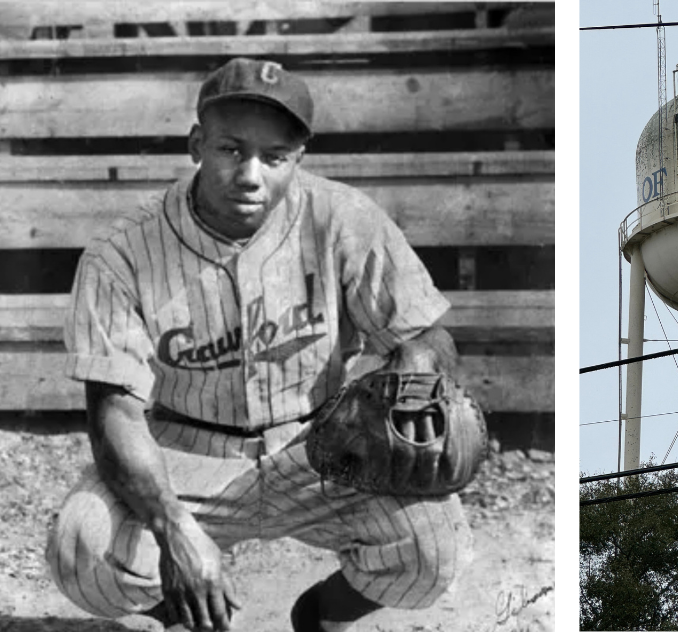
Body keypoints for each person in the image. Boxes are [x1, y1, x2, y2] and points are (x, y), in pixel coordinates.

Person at [46, 57, 472, 632]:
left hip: (318, 445)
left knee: (435, 550)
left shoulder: (343, 218)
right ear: (197, 143)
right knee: (83, 548)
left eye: (274, 158)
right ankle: (195, 614)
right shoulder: (121, 254)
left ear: (297, 159)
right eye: (230, 149)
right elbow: (114, 412)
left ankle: (321, 617)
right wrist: (174, 530)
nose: (251, 174)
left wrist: (419, 377)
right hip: (185, 454)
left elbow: (423, 334)